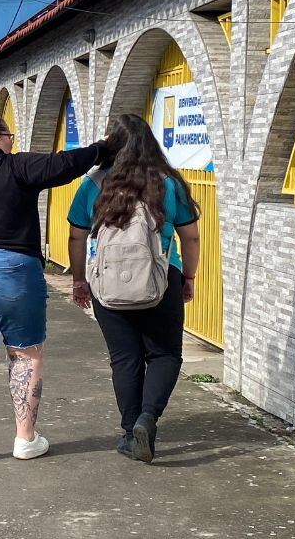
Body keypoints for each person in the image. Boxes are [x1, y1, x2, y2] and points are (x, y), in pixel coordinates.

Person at [0, 114, 105, 465]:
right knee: (25, 354)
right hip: (12, 267)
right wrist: (104, 147)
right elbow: (65, 165)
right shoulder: (16, 167)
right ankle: (25, 439)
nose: (13, 142)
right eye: (10, 136)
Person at [67, 114, 200, 464]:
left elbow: (76, 235)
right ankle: (147, 419)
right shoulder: (168, 184)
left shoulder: (94, 183)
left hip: (107, 284)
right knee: (165, 354)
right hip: (161, 279)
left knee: (124, 359)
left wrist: (80, 280)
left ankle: (130, 433)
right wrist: (187, 277)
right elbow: (190, 236)